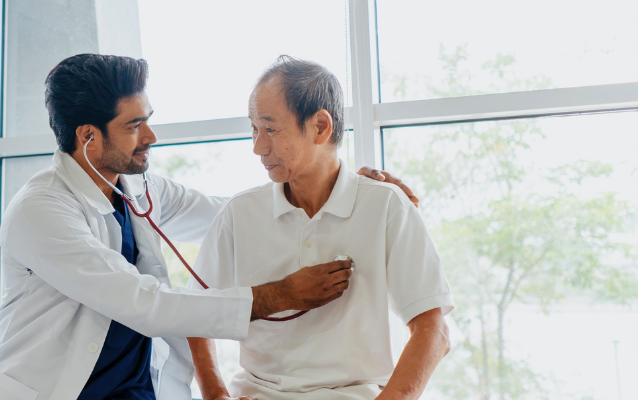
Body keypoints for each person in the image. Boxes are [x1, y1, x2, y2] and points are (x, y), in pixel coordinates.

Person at [0, 53, 420, 400]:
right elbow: (141, 302)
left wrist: (334, 181)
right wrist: (278, 296)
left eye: (149, 119)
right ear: (89, 138)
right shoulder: (40, 211)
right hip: (49, 389)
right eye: (135, 125)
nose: (151, 136)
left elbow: (241, 213)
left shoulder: (142, 190)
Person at [187, 56, 455, 400]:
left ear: (320, 127)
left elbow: (433, 329)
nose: (258, 147)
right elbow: (194, 314)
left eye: (270, 129)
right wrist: (215, 394)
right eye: (253, 129)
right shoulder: (239, 213)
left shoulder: (386, 205)